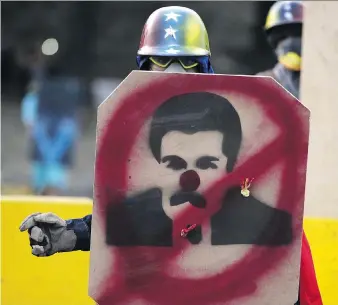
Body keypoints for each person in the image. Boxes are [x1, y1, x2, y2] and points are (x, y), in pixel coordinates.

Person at [20, 5, 318, 304]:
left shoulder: (236, 124)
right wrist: (71, 234)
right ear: (145, 66)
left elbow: (266, 230)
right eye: (162, 61)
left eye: (187, 63)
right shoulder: (137, 135)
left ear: (203, 67)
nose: (174, 72)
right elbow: (139, 215)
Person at [257, 1, 323, 304]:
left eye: (298, 33)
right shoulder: (260, 87)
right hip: (275, 203)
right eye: (283, 35)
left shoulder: (328, 87)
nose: (291, 43)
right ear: (273, 42)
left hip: (323, 197)